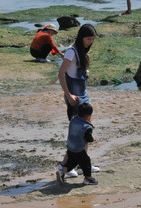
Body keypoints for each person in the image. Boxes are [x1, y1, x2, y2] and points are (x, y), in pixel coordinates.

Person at [57, 24, 99, 178]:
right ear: (81, 37)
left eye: (92, 40)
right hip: (74, 97)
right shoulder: (71, 52)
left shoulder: (82, 53)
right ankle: (64, 166)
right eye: (88, 39)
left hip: (83, 96)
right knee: (76, 134)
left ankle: (83, 165)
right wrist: (68, 96)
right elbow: (61, 74)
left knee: (86, 130)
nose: (90, 42)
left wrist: (87, 63)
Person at [56, 102, 98, 185]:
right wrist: (92, 139)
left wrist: (72, 105)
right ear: (89, 116)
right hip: (79, 150)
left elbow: (70, 111)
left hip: (70, 148)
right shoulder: (86, 127)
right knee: (86, 162)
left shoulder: (73, 119)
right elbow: (88, 139)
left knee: (71, 163)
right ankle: (88, 178)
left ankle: (62, 172)